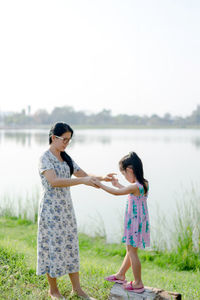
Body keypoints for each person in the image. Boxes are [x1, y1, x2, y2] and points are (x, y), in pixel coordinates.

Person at [37, 122, 114, 299]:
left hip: (66, 210)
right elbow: (54, 181)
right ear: (53, 137)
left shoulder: (66, 158)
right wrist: (82, 181)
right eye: (64, 139)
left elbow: (83, 174)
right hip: (51, 210)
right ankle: (54, 291)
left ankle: (77, 290)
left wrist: (103, 178)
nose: (66, 143)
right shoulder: (44, 158)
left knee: (71, 246)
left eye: (69, 140)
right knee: (53, 247)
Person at [92, 152, 150, 294]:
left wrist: (100, 184)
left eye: (124, 174)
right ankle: (120, 275)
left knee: (132, 252)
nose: (124, 177)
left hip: (134, 223)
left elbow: (117, 193)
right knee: (131, 251)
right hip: (139, 222)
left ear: (130, 170)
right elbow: (126, 190)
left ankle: (138, 283)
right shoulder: (143, 183)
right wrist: (118, 184)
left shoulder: (134, 186)